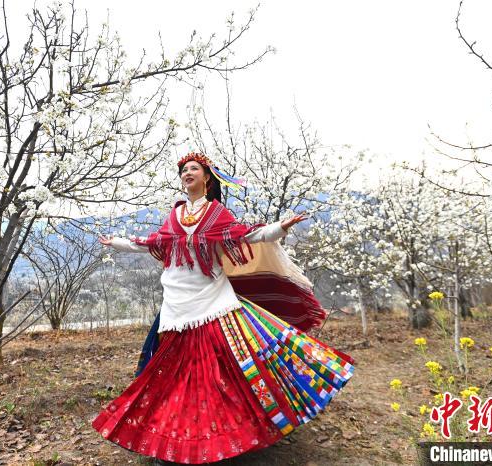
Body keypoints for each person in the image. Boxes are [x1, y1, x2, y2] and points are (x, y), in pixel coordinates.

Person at [92, 152, 354, 464]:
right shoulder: (174, 216)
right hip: (177, 307)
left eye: (193, 169)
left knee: (221, 373)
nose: (187, 173)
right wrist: (116, 243)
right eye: (184, 170)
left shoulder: (216, 213)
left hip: (213, 302)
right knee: (176, 376)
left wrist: (279, 228)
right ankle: (179, 438)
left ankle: (231, 434)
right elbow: (149, 243)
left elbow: (249, 235)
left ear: (207, 178)